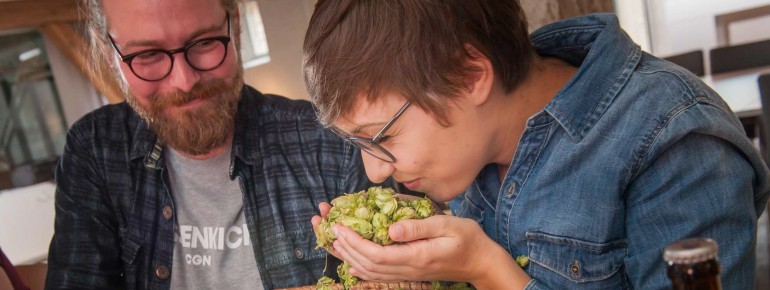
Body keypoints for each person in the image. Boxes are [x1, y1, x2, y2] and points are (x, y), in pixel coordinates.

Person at [302, 1, 770, 289]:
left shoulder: (672, 139)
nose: (376, 171)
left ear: (469, 78)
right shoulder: (466, 149)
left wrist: (485, 269)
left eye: (381, 137)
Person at [44, 0, 373, 289]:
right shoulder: (94, 150)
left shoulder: (331, 140)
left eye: (204, 42)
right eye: (147, 55)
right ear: (108, 52)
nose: (184, 81)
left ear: (237, 26)